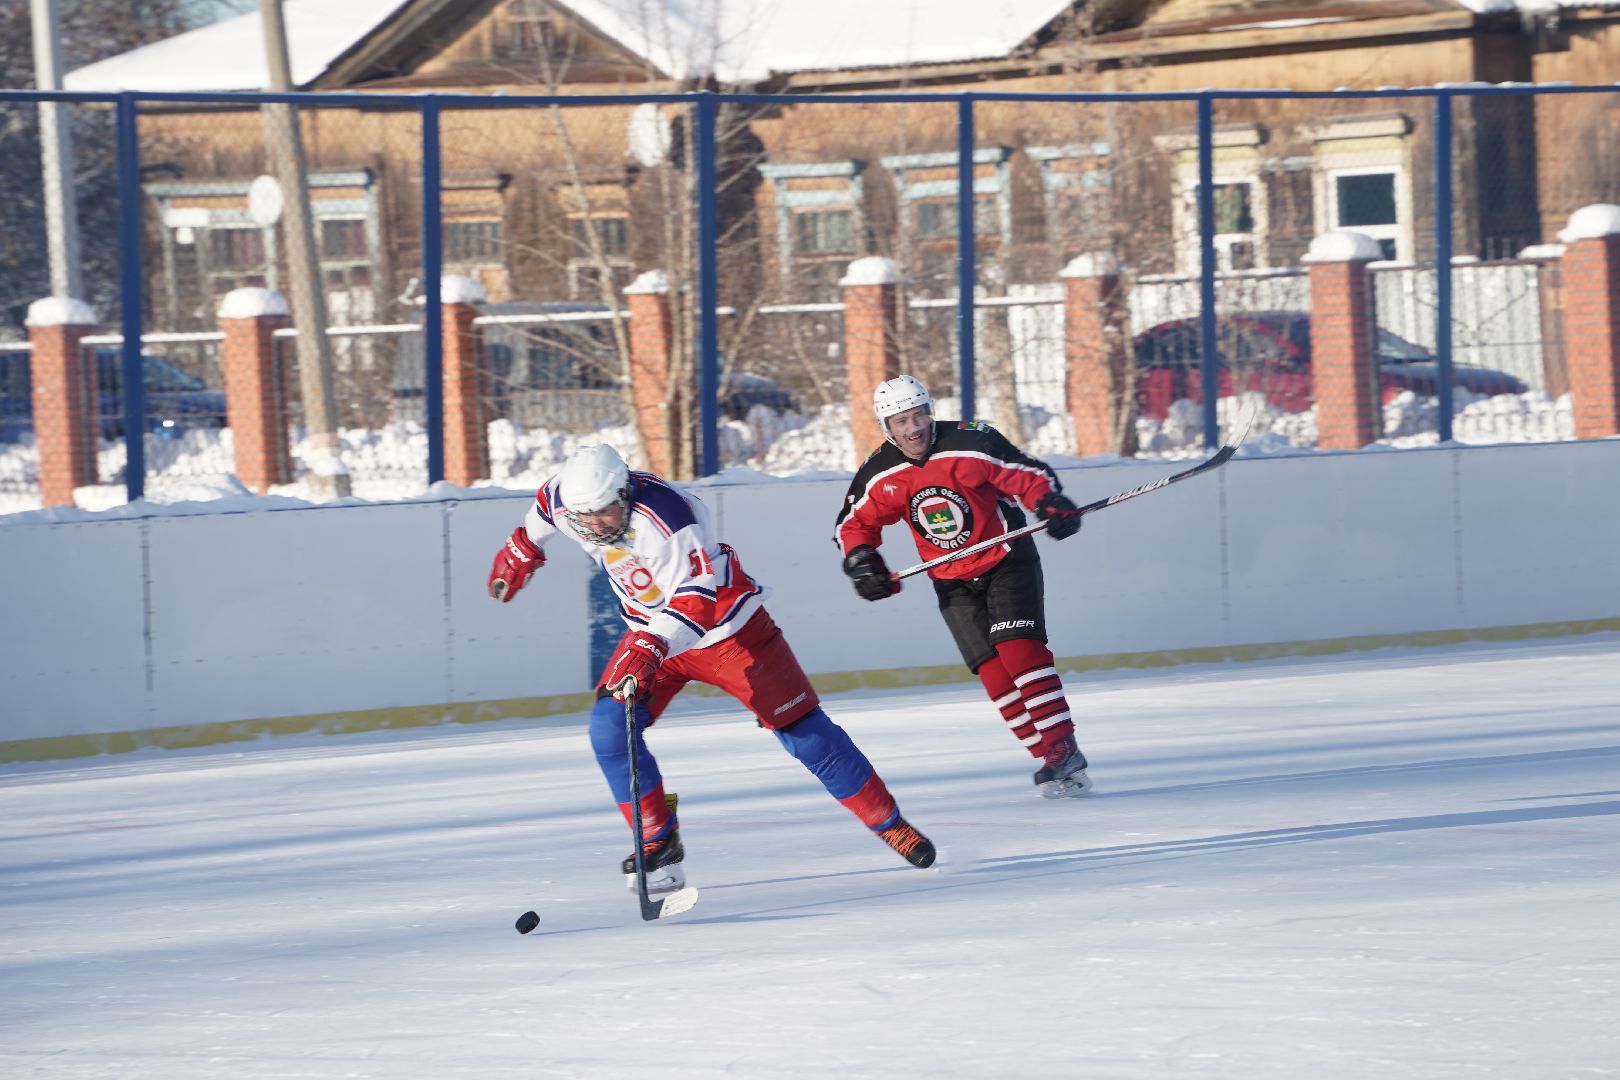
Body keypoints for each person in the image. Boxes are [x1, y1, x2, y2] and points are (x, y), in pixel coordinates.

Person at [488, 442, 935, 896]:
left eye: (605, 512)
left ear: (624, 493)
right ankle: (658, 840)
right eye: (586, 517)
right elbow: (538, 519)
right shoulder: (567, 501)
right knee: (609, 728)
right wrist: (520, 551)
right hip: (653, 637)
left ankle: (889, 824)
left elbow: (696, 605)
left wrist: (648, 646)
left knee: (806, 735)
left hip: (727, 632)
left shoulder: (668, 519)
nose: (596, 526)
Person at [833, 375, 1092, 798]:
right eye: (901, 421)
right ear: (886, 427)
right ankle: (1051, 758)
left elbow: (1026, 474)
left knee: (1019, 650)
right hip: (950, 580)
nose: (913, 428)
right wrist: (863, 562)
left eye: (918, 415)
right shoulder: (880, 471)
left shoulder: (972, 441)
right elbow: (854, 523)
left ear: (930, 412)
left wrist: (1050, 503)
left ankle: (1062, 747)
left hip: (1007, 560)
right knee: (994, 676)